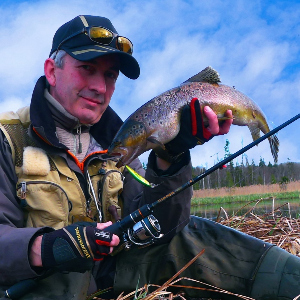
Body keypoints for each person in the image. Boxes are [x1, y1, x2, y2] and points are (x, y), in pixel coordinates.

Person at [0, 15, 299, 300]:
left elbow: (160, 226)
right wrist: (50, 247)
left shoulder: (122, 146)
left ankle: (292, 281)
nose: (100, 87)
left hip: (116, 275)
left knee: (193, 234)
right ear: (52, 70)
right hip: (41, 285)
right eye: (87, 69)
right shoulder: (8, 139)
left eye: (109, 75)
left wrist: (171, 157)